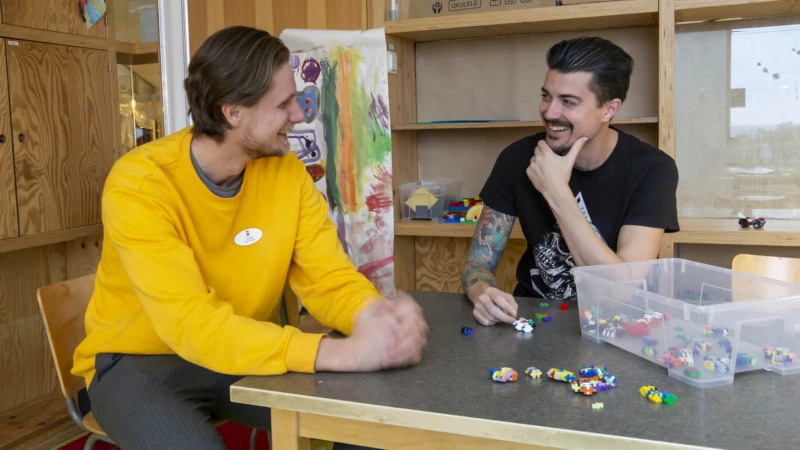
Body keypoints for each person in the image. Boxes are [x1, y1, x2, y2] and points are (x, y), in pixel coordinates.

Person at [71, 26, 428, 450]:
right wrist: (340, 354)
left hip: (243, 349)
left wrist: (372, 317)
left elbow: (328, 279)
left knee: (368, 424)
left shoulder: (287, 174)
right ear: (233, 113)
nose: (299, 114)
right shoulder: (140, 184)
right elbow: (192, 326)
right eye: (282, 104)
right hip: (138, 363)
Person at [461, 37, 679, 326]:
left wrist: (556, 191)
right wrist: (481, 291)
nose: (550, 112)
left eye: (568, 102)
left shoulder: (652, 169)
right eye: (546, 96)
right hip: (535, 320)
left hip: (615, 324)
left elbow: (621, 290)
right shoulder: (516, 159)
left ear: (609, 109)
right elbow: (477, 262)